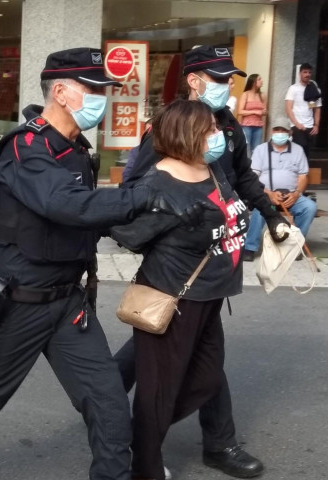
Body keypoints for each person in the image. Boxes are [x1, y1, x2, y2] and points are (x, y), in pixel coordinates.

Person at [0, 47, 207, 480]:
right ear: (61, 92)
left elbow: (94, 220)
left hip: (68, 304)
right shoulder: (25, 149)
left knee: (107, 403)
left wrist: (165, 219)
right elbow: (66, 205)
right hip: (18, 304)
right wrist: (152, 192)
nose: (104, 98)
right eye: (95, 89)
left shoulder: (76, 149)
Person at [115, 45, 291, 479]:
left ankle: (115, 416)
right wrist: (172, 220)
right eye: (218, 78)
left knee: (172, 358)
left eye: (230, 78)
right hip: (178, 278)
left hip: (209, 274)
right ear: (193, 81)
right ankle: (158, 438)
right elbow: (135, 201)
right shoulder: (168, 131)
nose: (227, 86)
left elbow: (242, 178)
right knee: (164, 361)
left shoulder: (224, 128)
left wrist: (270, 214)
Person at [111, 98, 250, 480]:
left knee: (205, 377)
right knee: (159, 392)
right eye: (209, 129)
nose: (218, 135)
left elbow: (230, 209)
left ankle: (127, 434)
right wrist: (169, 218)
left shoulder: (212, 168)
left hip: (210, 294)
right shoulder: (157, 180)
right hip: (174, 295)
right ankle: (145, 466)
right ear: (187, 134)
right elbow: (127, 233)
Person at [243, 117, 317, 262]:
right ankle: (250, 247)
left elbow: (303, 177)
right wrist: (269, 193)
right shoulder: (261, 149)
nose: (280, 133)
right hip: (267, 194)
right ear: (272, 131)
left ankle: (294, 246)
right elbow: (252, 177)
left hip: (290, 195)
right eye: (277, 130)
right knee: (260, 207)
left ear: (289, 132)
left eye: (283, 130)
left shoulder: (298, 150)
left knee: (310, 207)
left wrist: (296, 194)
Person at [285, 62, 322, 160]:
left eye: (309, 72)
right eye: (305, 72)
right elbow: (288, 108)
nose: (307, 74)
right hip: (297, 126)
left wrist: (317, 125)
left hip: (310, 126)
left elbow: (317, 108)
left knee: (307, 153)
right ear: (300, 74)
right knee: (300, 148)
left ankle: (305, 174)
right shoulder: (293, 89)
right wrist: (296, 124)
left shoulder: (315, 89)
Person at [238, 74, 267, 155]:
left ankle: (254, 166)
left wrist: (264, 112)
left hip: (258, 126)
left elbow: (265, 111)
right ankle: (246, 166)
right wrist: (254, 112)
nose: (262, 81)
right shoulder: (245, 94)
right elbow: (240, 111)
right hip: (246, 125)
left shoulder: (262, 95)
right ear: (254, 82)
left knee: (257, 149)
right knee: (246, 148)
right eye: (259, 79)